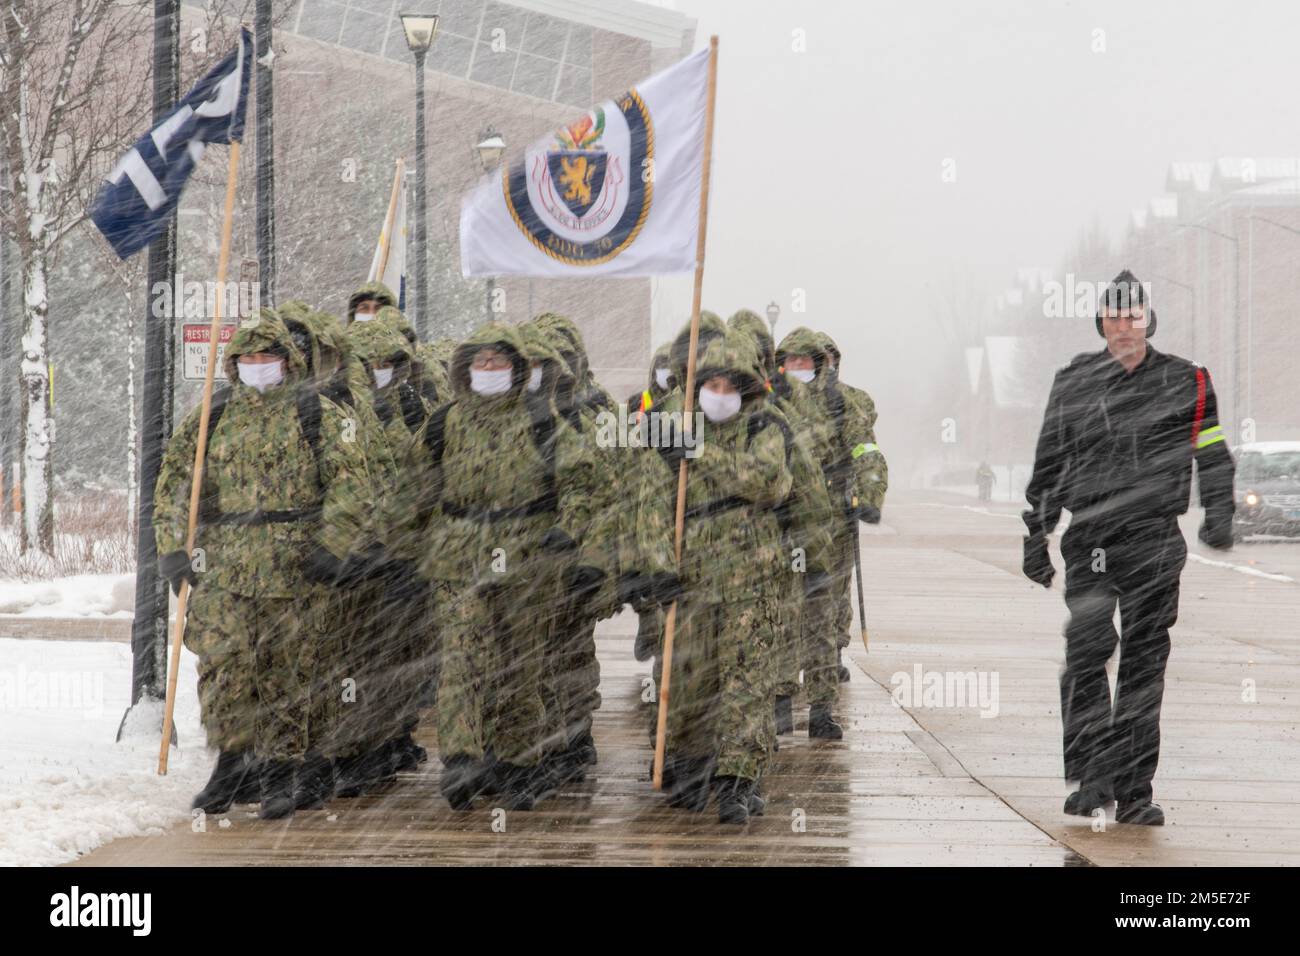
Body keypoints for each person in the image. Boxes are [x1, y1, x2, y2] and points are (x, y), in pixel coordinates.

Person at [1023, 269, 1235, 826]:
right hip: (1090, 537)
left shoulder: (1187, 381)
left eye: (1133, 316)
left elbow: (1211, 449)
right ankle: (1093, 778)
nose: (1123, 326)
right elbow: (1050, 457)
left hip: (1154, 538)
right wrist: (1035, 532)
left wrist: (1219, 509)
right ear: (1101, 324)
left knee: (1144, 663)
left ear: (1148, 321)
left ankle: (1136, 790)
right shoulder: (1074, 381)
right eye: (1113, 317)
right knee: (1088, 655)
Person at [155, 310, 371, 819]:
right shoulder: (213, 415)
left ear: (287, 361)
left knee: (285, 672)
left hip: (292, 566)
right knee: (224, 669)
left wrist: (332, 544)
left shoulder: (317, 414)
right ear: (233, 364)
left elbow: (351, 486)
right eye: (247, 357)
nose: (257, 365)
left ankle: (280, 769)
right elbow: (174, 485)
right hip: (225, 566)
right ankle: (231, 762)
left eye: (267, 356)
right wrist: (171, 547)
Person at [395, 323, 595, 811]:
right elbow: (412, 491)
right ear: (466, 369)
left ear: (517, 369)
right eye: (480, 362)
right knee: (462, 658)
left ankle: (520, 762)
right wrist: (400, 553)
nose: (488, 370)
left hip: (528, 558)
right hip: (460, 555)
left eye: (498, 362)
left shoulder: (542, 421)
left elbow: (583, 482)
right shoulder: (445, 423)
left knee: (521, 664)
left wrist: (568, 530)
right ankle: (463, 756)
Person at [636, 325, 793, 824]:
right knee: (689, 677)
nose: (720, 396)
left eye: (731, 387)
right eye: (711, 386)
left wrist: (703, 454)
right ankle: (688, 763)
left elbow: (768, 482)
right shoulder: (668, 426)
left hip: (753, 573)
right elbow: (650, 507)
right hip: (691, 574)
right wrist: (658, 568)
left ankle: (739, 776)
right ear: (696, 385)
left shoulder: (764, 426)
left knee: (747, 678)